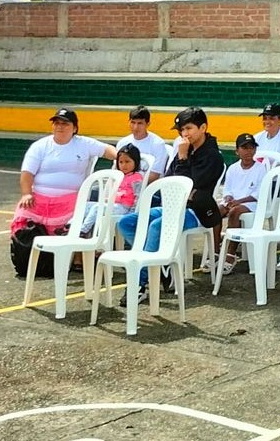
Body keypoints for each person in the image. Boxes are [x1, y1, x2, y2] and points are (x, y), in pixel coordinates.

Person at [118, 107, 223, 305]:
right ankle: (160, 266)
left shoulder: (212, 156)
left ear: (203, 127)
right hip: (174, 206)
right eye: (181, 130)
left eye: (189, 128)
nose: (185, 134)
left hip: (196, 212)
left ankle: (139, 284)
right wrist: (182, 160)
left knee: (156, 226)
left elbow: (186, 185)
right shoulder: (185, 150)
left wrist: (183, 159)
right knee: (127, 222)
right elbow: (169, 178)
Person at [14, 108, 117, 238]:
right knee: (23, 215)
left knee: (76, 220)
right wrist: (26, 194)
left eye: (65, 124)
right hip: (38, 197)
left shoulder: (84, 143)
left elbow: (107, 149)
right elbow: (27, 173)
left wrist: (120, 157)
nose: (60, 127)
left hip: (71, 200)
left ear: (75, 128)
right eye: (57, 123)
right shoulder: (39, 146)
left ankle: (72, 255)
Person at [215, 133, 269, 275]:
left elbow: (258, 194)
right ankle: (215, 251)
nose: (248, 151)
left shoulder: (260, 168)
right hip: (234, 201)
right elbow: (228, 189)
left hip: (252, 204)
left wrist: (238, 202)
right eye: (244, 148)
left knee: (235, 212)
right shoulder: (233, 168)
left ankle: (231, 254)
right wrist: (228, 198)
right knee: (215, 212)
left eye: (251, 148)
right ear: (237, 151)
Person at [79, 144, 144, 237]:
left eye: (127, 161)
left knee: (97, 208)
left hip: (124, 208)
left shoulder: (136, 178)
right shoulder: (119, 175)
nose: (124, 165)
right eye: (121, 162)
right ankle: (70, 225)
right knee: (85, 205)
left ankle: (83, 230)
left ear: (136, 162)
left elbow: (139, 196)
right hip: (113, 204)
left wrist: (132, 212)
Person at [116, 105, 168, 183]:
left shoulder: (158, 144)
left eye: (140, 123)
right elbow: (117, 170)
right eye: (133, 122)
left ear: (148, 124)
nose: (135, 127)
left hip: (149, 188)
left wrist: (135, 187)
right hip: (123, 188)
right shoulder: (122, 143)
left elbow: (155, 174)